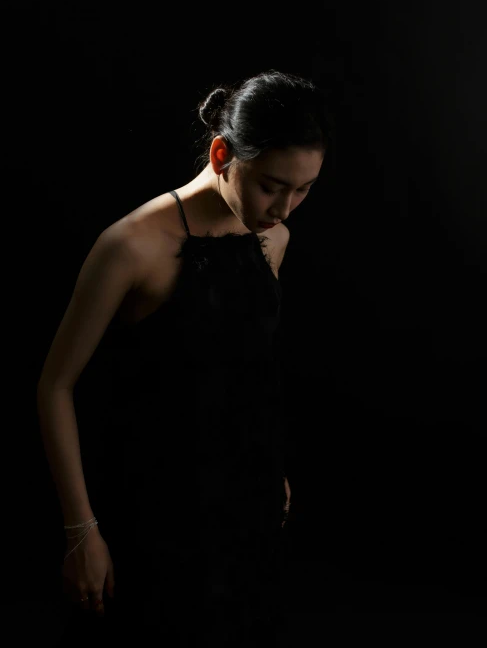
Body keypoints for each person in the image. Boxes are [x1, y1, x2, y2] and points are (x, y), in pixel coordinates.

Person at [36, 69, 333, 645]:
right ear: (222, 153)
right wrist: (81, 531)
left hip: (247, 511)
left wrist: (271, 468)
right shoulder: (131, 246)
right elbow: (54, 387)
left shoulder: (274, 239)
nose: (286, 208)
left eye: (304, 189)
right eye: (273, 185)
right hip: (151, 513)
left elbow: (245, 367)